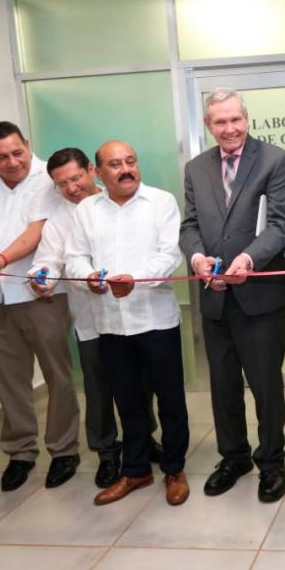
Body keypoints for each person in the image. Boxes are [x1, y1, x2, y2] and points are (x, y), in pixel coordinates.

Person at [180, 88, 285, 503]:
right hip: (214, 296)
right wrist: (196, 258)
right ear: (208, 125)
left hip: (258, 295)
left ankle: (272, 462)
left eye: (235, 120)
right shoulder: (196, 168)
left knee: (265, 385)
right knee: (223, 384)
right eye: (219, 122)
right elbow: (189, 224)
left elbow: (282, 224)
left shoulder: (274, 160)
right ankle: (233, 457)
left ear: (246, 119)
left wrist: (248, 259)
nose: (229, 129)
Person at [0, 122, 80, 492]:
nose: (12, 162)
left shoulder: (47, 176)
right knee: (9, 379)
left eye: (17, 152)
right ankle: (21, 451)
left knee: (57, 375)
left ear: (27, 144)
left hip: (41, 294)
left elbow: (37, 230)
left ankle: (63, 449)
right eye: (1, 157)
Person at [65, 141, 190, 506]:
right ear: (98, 172)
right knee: (128, 401)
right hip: (110, 323)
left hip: (156, 320)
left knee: (170, 400)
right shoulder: (87, 210)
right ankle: (134, 471)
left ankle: (174, 468)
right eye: (115, 164)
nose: (126, 169)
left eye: (131, 161)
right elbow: (74, 257)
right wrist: (89, 276)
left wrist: (134, 278)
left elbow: (170, 254)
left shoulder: (161, 202)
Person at [28, 147, 161, 489]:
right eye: (62, 184)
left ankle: (144, 441)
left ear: (92, 171)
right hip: (92, 320)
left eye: (75, 178)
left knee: (140, 384)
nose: (71, 187)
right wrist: (40, 276)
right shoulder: (59, 221)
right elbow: (48, 261)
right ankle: (106, 452)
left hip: (134, 314)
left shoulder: (124, 200)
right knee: (99, 388)